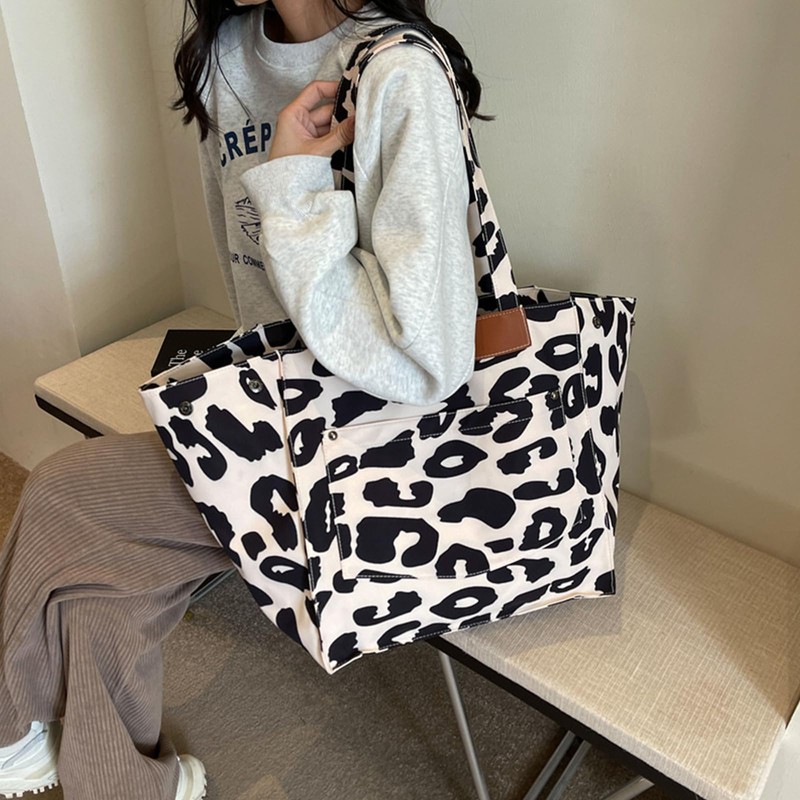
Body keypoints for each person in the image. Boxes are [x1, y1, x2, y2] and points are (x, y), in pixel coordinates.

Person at [0, 0, 493, 797]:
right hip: (282, 408)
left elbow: (424, 364)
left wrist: (294, 184)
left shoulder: (399, 73)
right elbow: (252, 277)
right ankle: (125, 783)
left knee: (67, 497)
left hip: (389, 447)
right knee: (103, 576)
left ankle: (7, 727)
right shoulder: (225, 56)